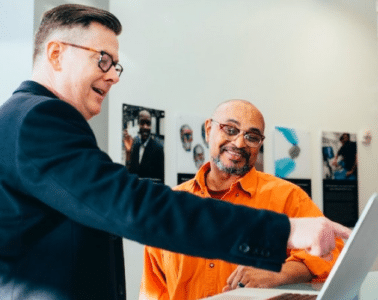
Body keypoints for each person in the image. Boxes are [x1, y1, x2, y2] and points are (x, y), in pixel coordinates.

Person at [0, 4, 351, 300]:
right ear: (56, 54)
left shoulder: (25, 119)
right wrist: (283, 231)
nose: (113, 75)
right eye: (102, 59)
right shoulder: (39, 118)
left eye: (116, 64)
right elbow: (133, 206)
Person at [140, 100, 345, 300]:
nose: (239, 143)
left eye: (252, 136)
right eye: (230, 129)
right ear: (208, 129)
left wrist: (280, 273)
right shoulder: (169, 206)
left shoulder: (287, 196)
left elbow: (334, 253)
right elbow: (154, 290)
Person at [123, 110, 165, 184]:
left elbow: (160, 180)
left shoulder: (158, 149)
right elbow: (129, 174)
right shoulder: (135, 146)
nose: (145, 127)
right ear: (138, 124)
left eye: (148, 123)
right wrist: (128, 153)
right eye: (142, 123)